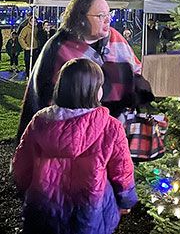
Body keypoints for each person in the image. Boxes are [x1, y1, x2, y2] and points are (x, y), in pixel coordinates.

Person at [11, 58, 137, 234]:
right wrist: (126, 201)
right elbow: (122, 171)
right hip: (89, 212)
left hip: (45, 210)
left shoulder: (39, 122)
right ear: (92, 90)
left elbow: (21, 166)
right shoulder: (111, 126)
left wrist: (27, 192)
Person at [17, 0, 153, 142]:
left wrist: (143, 88)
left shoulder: (115, 37)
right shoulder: (59, 49)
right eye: (101, 15)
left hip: (120, 135)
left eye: (109, 14)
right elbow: (57, 106)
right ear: (81, 19)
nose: (108, 20)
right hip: (77, 139)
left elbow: (136, 70)